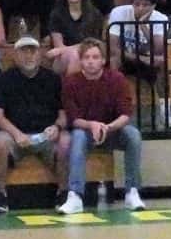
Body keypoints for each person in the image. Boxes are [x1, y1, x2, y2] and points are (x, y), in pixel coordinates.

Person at [58, 38, 145, 214]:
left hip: (112, 131)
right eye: (86, 57)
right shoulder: (70, 82)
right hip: (86, 132)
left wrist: (108, 127)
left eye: (95, 57)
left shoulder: (117, 79)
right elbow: (73, 119)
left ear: (103, 60)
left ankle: (132, 192)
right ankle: (75, 195)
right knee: (77, 136)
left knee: (133, 135)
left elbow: (125, 114)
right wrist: (92, 125)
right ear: (80, 60)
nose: (91, 61)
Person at [0, 35, 70, 210]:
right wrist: (16, 133)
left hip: (46, 135)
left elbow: (63, 114)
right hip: (14, 135)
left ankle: (63, 193)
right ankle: (0, 195)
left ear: (39, 54)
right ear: (15, 55)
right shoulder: (4, 79)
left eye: (33, 51)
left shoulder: (53, 79)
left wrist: (57, 127)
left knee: (65, 140)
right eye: (24, 51)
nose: (29, 56)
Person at [106, 0, 171, 126]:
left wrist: (142, 25)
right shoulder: (118, 12)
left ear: (153, 6)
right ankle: (111, 108)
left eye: (145, 5)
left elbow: (157, 51)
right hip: (125, 57)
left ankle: (165, 110)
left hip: (147, 59)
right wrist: (139, 57)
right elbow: (113, 48)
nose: (140, 8)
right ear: (132, 3)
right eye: (137, 4)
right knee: (113, 60)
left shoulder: (161, 19)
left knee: (163, 62)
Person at [47, 0, 104, 75]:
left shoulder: (95, 14)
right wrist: (69, 50)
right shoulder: (56, 14)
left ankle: (72, 84)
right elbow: (59, 46)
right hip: (62, 58)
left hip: (89, 54)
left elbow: (93, 43)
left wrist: (71, 50)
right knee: (74, 55)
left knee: (76, 55)